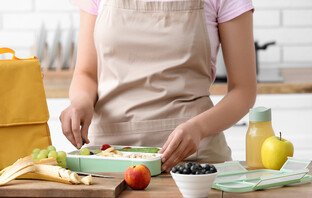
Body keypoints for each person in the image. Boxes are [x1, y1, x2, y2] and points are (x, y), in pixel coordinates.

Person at [60, 0, 257, 172]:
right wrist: (81, 102)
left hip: (193, 160)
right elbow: (86, 73)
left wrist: (198, 128)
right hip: (107, 157)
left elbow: (243, 91)